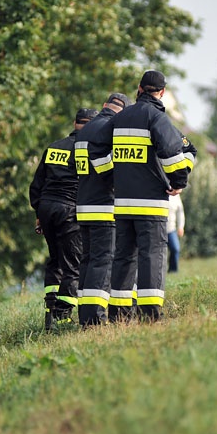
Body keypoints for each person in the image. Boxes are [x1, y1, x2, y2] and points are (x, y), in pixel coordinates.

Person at [108, 70, 194, 322]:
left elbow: (98, 149)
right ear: (162, 93)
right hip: (151, 204)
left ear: (139, 88)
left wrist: (110, 180)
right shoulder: (157, 118)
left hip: (123, 203)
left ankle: (119, 315)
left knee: (123, 256)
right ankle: (150, 314)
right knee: (152, 254)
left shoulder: (120, 118)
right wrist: (178, 182)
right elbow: (173, 156)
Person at [30, 108, 97, 331]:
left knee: (55, 260)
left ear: (75, 122)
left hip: (47, 209)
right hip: (70, 210)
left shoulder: (54, 147)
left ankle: (50, 310)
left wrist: (39, 213)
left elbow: (36, 185)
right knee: (73, 265)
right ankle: (63, 317)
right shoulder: (87, 149)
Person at [74, 93, 131, 328]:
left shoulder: (85, 131)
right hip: (104, 206)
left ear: (105, 106)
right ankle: (96, 318)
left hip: (83, 205)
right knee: (103, 261)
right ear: (123, 111)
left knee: (87, 261)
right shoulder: (111, 128)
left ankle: (85, 316)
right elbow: (109, 167)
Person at [166, 192, 186, 273]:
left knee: (175, 249)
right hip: (158, 229)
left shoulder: (176, 196)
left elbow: (180, 212)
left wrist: (181, 227)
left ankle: (173, 270)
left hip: (171, 229)